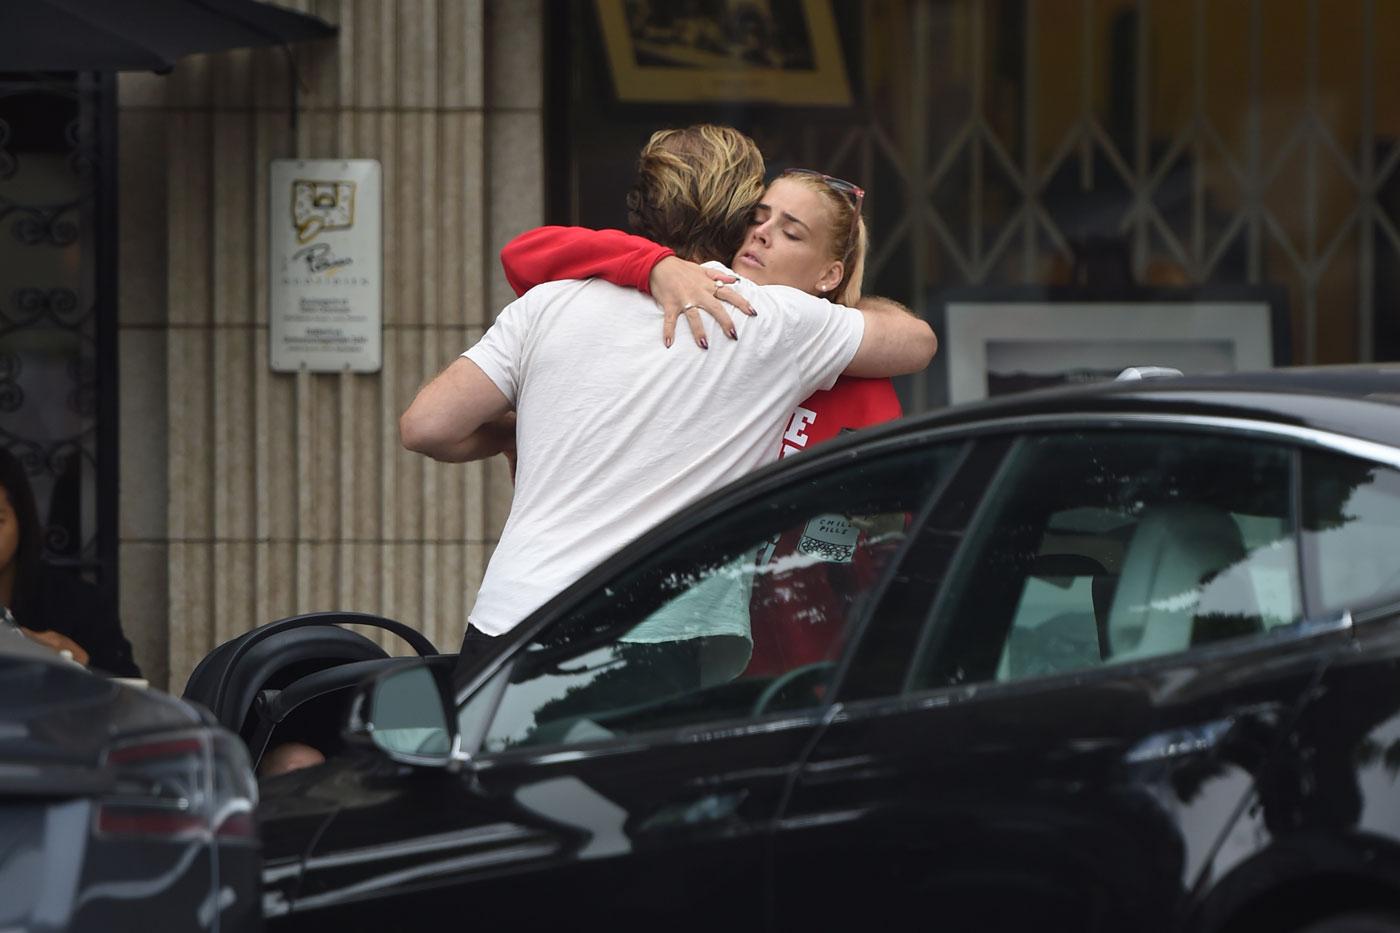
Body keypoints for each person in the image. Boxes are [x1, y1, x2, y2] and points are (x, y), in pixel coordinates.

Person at [400, 123, 935, 680]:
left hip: (512, 619)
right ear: (736, 216)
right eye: (758, 216)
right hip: (660, 633)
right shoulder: (771, 321)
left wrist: (517, 431)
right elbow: (917, 343)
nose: (764, 235)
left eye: (789, 230)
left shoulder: (549, 302)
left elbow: (425, 426)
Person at [0, 447, 141, 677]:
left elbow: (129, 692)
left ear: (21, 520)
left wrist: (78, 663)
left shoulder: (78, 605)